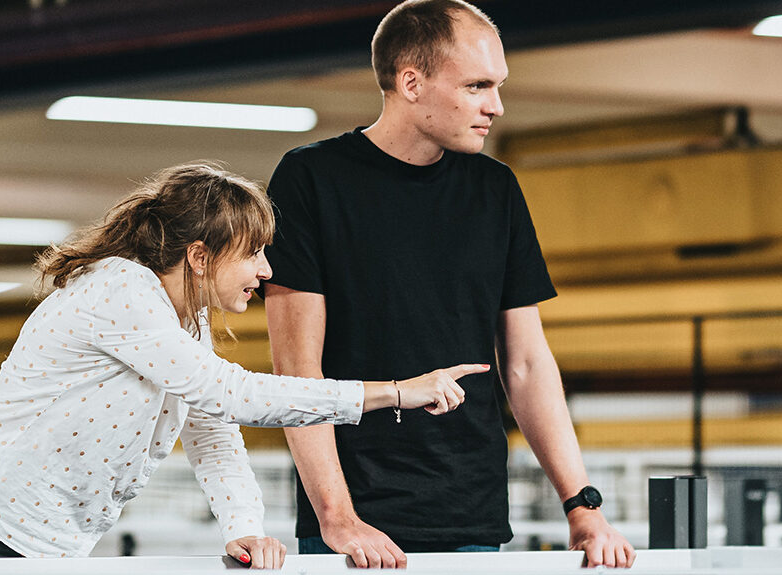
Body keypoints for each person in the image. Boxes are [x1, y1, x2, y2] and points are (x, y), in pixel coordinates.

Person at [0, 162, 486, 563]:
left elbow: (215, 435)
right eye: (253, 253)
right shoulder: (120, 288)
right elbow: (235, 394)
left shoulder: (187, 319)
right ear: (199, 256)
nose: (267, 271)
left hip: (40, 533)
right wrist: (395, 393)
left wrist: (245, 532)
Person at [262, 0, 635, 568]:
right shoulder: (311, 179)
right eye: (478, 85)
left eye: (498, 85)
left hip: (473, 513)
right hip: (355, 525)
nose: (496, 106)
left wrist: (582, 508)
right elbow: (298, 371)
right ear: (411, 82)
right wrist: (338, 518)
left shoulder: (496, 191)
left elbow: (528, 363)